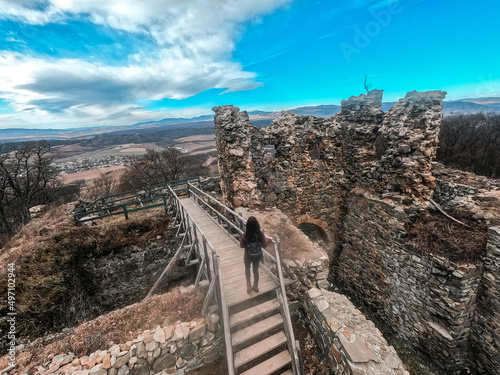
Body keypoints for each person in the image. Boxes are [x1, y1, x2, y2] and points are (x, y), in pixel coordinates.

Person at [240, 216, 272, 293]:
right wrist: (269, 239)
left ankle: (248, 285)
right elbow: (264, 245)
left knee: (247, 269)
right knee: (255, 270)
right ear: (257, 225)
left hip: (248, 255)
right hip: (257, 256)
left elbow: (241, 245)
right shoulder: (260, 234)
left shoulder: (245, 235)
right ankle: (255, 286)